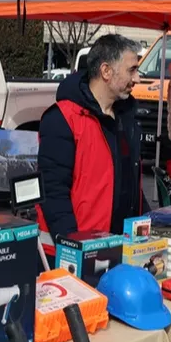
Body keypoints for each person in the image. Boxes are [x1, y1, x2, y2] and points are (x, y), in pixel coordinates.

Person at [38, 34, 149, 238]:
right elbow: (53, 192)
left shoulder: (126, 118)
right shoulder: (63, 118)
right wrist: (73, 245)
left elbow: (131, 183)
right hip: (81, 248)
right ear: (106, 71)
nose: (137, 79)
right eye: (132, 70)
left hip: (123, 244)